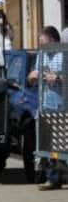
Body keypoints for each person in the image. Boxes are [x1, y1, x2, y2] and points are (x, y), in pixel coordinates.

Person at [28, 26, 64, 191]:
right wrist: (32, 77)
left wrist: (58, 77)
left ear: (53, 40)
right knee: (47, 144)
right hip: (45, 105)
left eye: (43, 43)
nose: (41, 46)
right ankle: (52, 179)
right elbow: (33, 76)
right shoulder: (42, 55)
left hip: (62, 105)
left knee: (63, 144)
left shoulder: (63, 54)